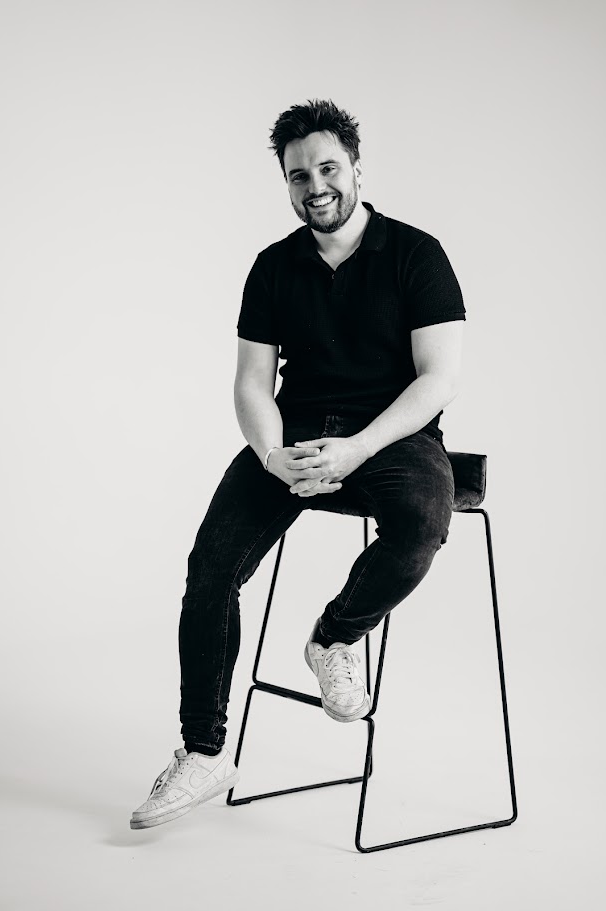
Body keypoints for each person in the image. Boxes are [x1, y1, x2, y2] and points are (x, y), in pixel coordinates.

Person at [130, 99, 466, 830]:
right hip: (295, 433)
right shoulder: (273, 266)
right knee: (210, 569)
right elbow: (252, 383)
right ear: (285, 182)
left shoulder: (416, 253)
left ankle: (335, 635)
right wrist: (270, 455)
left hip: (393, 436)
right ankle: (203, 752)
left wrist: (359, 447)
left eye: (327, 168)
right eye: (297, 176)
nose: (315, 186)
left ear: (356, 167)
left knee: (423, 521)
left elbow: (437, 378)